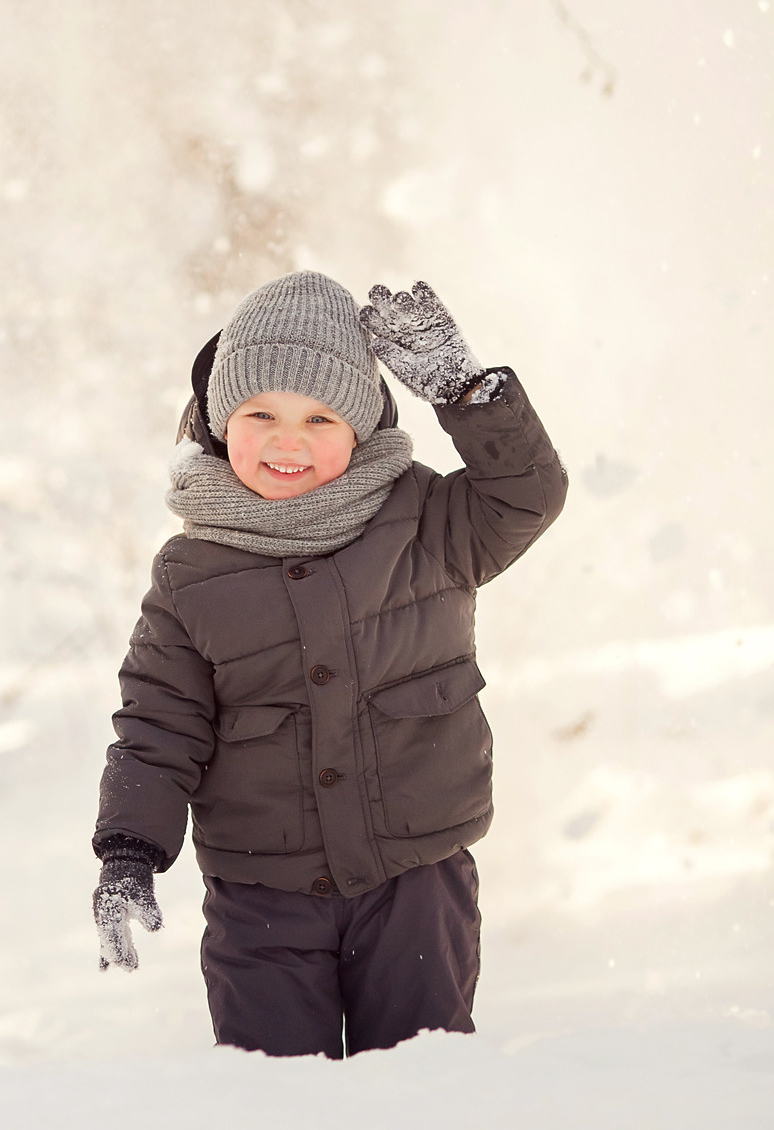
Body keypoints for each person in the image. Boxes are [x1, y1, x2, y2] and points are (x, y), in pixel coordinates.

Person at [91, 269, 567, 1059]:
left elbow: (530, 496)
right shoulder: (191, 573)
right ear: (217, 421)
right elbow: (156, 727)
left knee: (421, 1081)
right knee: (276, 1094)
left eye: (321, 416)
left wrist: (467, 392)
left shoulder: (429, 522)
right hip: (261, 900)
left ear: (363, 425)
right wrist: (128, 851)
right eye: (261, 413)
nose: (290, 439)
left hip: (416, 882)